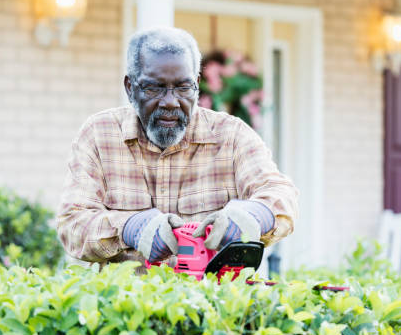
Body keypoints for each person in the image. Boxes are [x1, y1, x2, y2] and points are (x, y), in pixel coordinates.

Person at [56, 26, 298, 267]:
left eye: (183, 88)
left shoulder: (232, 135)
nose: (170, 102)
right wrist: (129, 228)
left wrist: (252, 215)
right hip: (126, 302)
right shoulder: (99, 134)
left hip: (215, 302)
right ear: (130, 88)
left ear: (197, 84)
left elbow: (280, 194)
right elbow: (72, 224)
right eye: (154, 88)